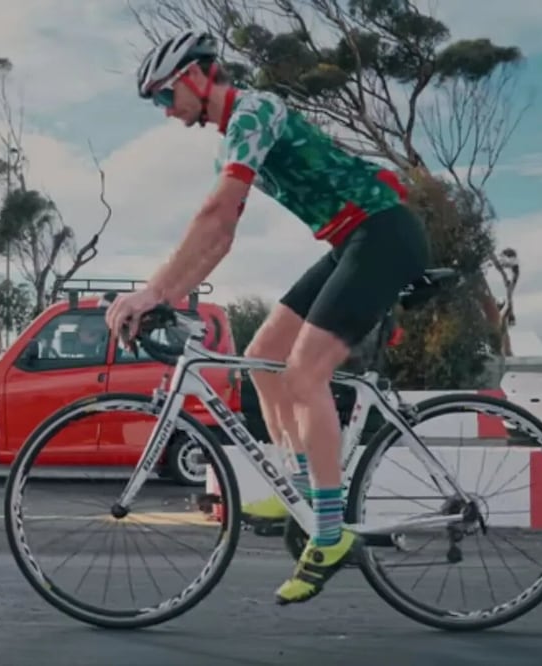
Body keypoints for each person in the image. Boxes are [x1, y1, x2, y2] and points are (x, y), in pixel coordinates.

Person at [104, 29, 430, 605]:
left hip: (383, 233)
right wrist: (167, 295)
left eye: (162, 97)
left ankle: (329, 535)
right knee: (262, 357)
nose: (165, 113)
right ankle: (300, 493)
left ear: (196, 77)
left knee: (305, 374)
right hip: (349, 241)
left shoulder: (254, 111)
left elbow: (215, 211)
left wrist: (151, 291)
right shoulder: (233, 134)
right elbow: (220, 235)